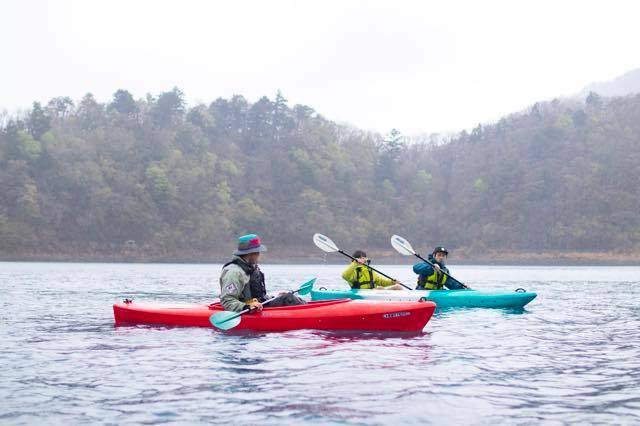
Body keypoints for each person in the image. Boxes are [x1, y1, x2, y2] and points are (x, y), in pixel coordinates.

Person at [219, 234, 306, 312]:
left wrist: (274, 297)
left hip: (259, 305)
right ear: (250, 253)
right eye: (257, 252)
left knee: (286, 296)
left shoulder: (251, 267)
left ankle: (308, 307)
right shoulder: (233, 272)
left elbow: (258, 297)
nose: (259, 254)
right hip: (247, 309)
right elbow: (227, 300)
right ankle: (307, 312)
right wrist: (246, 307)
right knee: (288, 298)